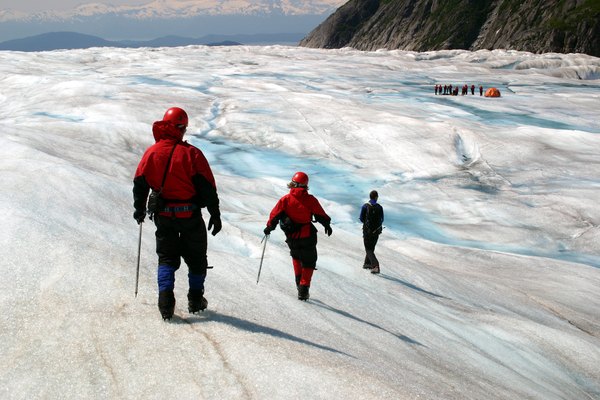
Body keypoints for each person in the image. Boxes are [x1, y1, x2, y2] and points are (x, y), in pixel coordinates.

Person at [133, 107, 222, 320]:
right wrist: (215, 214)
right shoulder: (192, 154)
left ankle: (165, 303)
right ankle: (195, 299)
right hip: (190, 217)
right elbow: (207, 187)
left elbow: (140, 183)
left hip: (164, 218)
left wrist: (139, 209)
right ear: (180, 128)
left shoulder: (151, 153)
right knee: (197, 260)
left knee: (166, 259)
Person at [264, 172, 332, 301]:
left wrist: (269, 228)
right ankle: (303, 288)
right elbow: (320, 214)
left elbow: (274, 215)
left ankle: (298, 284)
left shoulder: (285, 199)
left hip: (292, 237)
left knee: (296, 256)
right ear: (306, 185)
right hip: (307, 235)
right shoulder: (310, 200)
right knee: (309, 261)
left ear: (292, 183)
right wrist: (327, 225)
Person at [359, 190, 384, 274]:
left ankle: (375, 266)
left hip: (367, 231)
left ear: (370, 197)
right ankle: (367, 264)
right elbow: (382, 219)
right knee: (371, 247)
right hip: (376, 231)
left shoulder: (365, 206)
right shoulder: (380, 207)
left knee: (368, 248)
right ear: (376, 197)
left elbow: (361, 218)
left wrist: (367, 226)